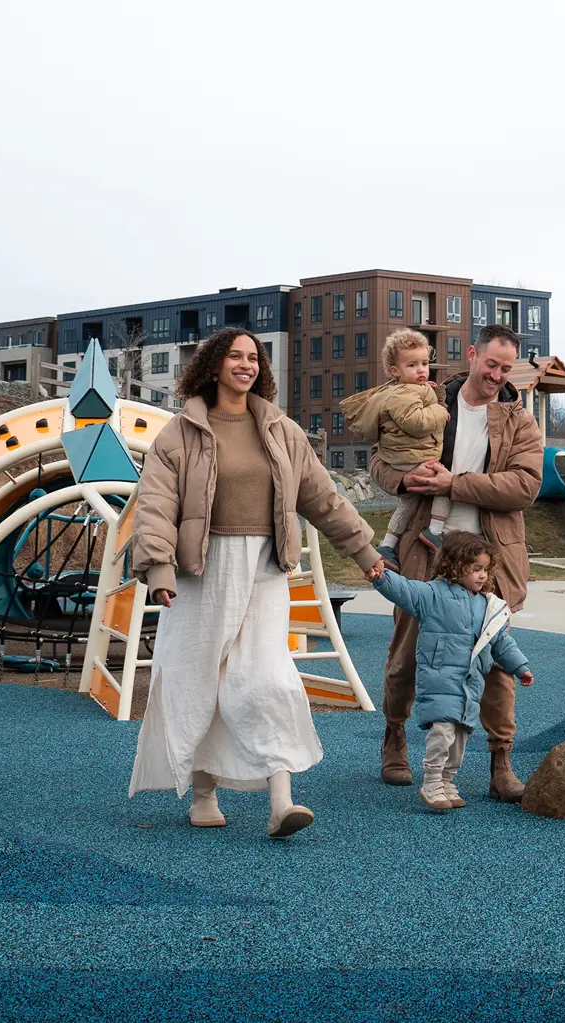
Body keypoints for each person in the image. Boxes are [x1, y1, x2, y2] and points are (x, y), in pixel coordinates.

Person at [129, 327, 383, 838]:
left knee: (267, 676)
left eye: (253, 358)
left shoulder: (280, 429)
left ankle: (281, 799)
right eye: (235, 356)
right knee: (198, 676)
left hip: (266, 567)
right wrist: (158, 569)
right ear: (213, 365)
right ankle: (203, 790)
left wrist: (364, 550)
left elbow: (322, 497)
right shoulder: (180, 433)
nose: (246, 364)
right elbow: (156, 506)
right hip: (201, 570)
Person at [371, 323, 543, 803]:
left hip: (490, 555)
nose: (497, 374)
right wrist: (407, 480)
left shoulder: (519, 421)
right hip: (426, 547)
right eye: (491, 364)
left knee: (494, 658)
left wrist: (456, 484)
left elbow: (525, 487)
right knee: (408, 650)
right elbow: (379, 459)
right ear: (472, 354)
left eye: (507, 368)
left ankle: (500, 760)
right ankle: (395, 736)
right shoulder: (425, 401)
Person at [372, 532, 534, 810]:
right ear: (454, 566)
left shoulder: (487, 605)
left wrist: (520, 667)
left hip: (469, 687)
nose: (482, 576)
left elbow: (501, 642)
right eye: (475, 569)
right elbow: (404, 589)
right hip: (439, 681)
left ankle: (447, 780)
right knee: (442, 735)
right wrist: (381, 577)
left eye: (485, 569)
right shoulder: (433, 594)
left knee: (459, 741)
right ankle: (432, 781)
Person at [340, 329, 450, 570]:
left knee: (407, 504)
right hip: (412, 458)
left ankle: (388, 544)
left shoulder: (408, 389)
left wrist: (430, 393)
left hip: (403, 458)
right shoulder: (401, 394)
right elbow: (417, 422)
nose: (421, 370)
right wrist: (441, 410)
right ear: (395, 371)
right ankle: (435, 531)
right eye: (412, 365)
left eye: (424, 363)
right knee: (445, 489)